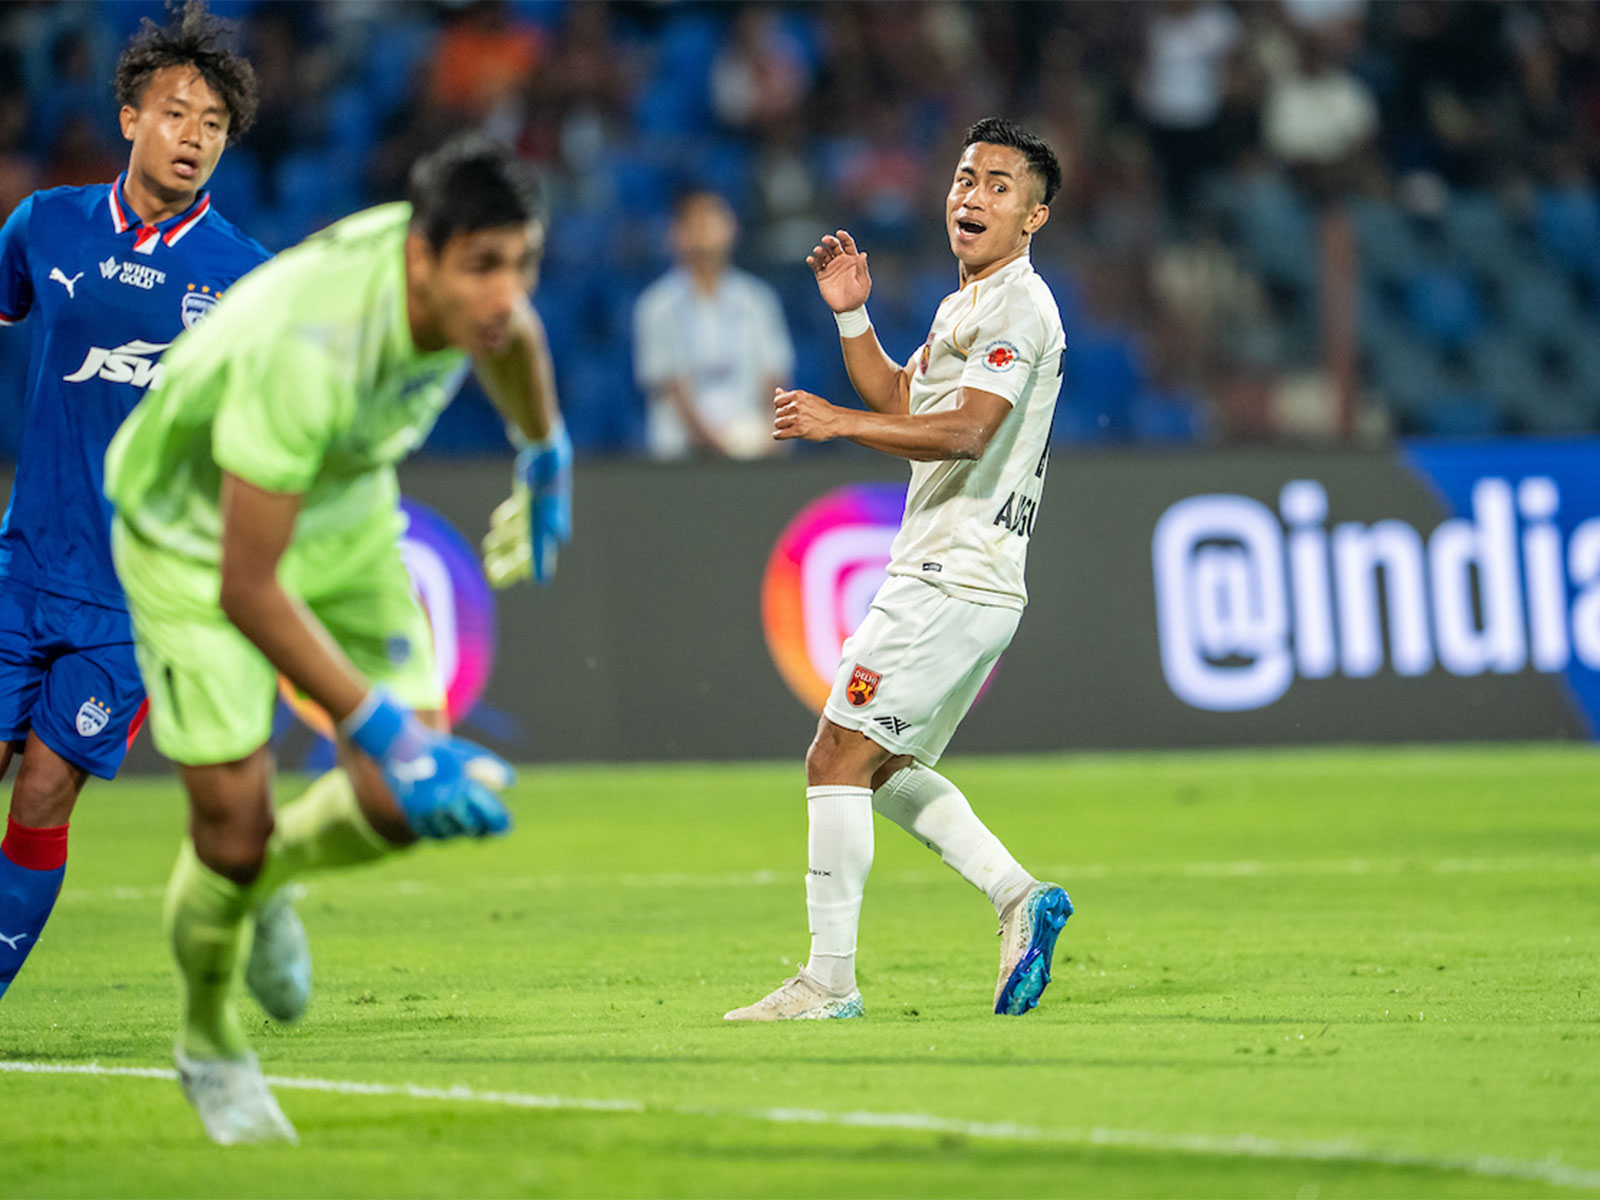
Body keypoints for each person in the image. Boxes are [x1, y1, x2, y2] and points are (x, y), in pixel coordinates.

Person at [103, 134, 572, 1144]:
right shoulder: (309, 353)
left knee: (393, 808)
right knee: (231, 828)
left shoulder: (478, 300)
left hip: (343, 509)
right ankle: (207, 1042)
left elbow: (519, 338)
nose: (505, 294)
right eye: (484, 268)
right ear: (421, 261)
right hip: (192, 538)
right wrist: (386, 730)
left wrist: (543, 460)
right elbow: (246, 585)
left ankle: (270, 885)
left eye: (521, 265)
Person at [726, 118, 1072, 1023]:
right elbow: (901, 399)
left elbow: (965, 431)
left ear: (1034, 216)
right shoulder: (966, 306)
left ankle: (828, 983)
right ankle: (1017, 897)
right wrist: (852, 314)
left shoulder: (1019, 309)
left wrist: (836, 424)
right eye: (966, 177)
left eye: (1000, 185)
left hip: (954, 573)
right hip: (958, 574)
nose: (973, 195)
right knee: (881, 764)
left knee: (836, 755)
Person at [0, 0, 267, 1001]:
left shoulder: (241, 278)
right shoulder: (45, 226)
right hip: (25, 565)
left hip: (133, 599)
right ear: (128, 118)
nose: (191, 135)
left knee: (44, 789)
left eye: (211, 124)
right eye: (174, 113)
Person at [633, 188, 795, 459]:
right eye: (696, 220)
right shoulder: (656, 307)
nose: (707, 227)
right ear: (677, 234)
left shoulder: (758, 301)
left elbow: (776, 379)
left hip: (751, 449)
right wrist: (717, 444)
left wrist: (774, 432)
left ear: (733, 228)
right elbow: (671, 389)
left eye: (715, 217)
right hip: (681, 456)